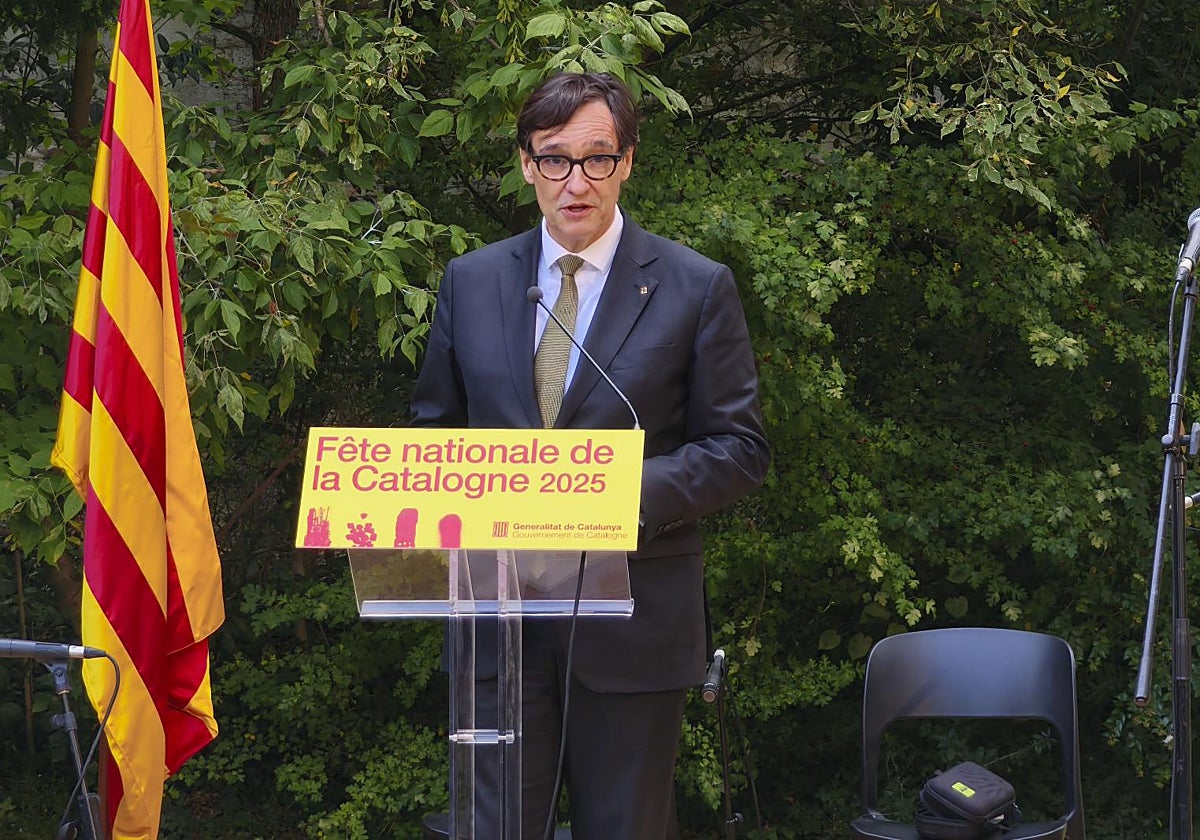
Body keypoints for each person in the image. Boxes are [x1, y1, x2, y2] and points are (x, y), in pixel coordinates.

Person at [410, 71, 770, 840]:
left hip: (632, 625)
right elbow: (433, 435)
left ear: (629, 161)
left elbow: (738, 449)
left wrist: (606, 494)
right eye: (554, 159)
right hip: (497, 623)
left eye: (596, 158)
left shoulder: (694, 287)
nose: (575, 182)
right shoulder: (470, 282)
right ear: (525, 165)